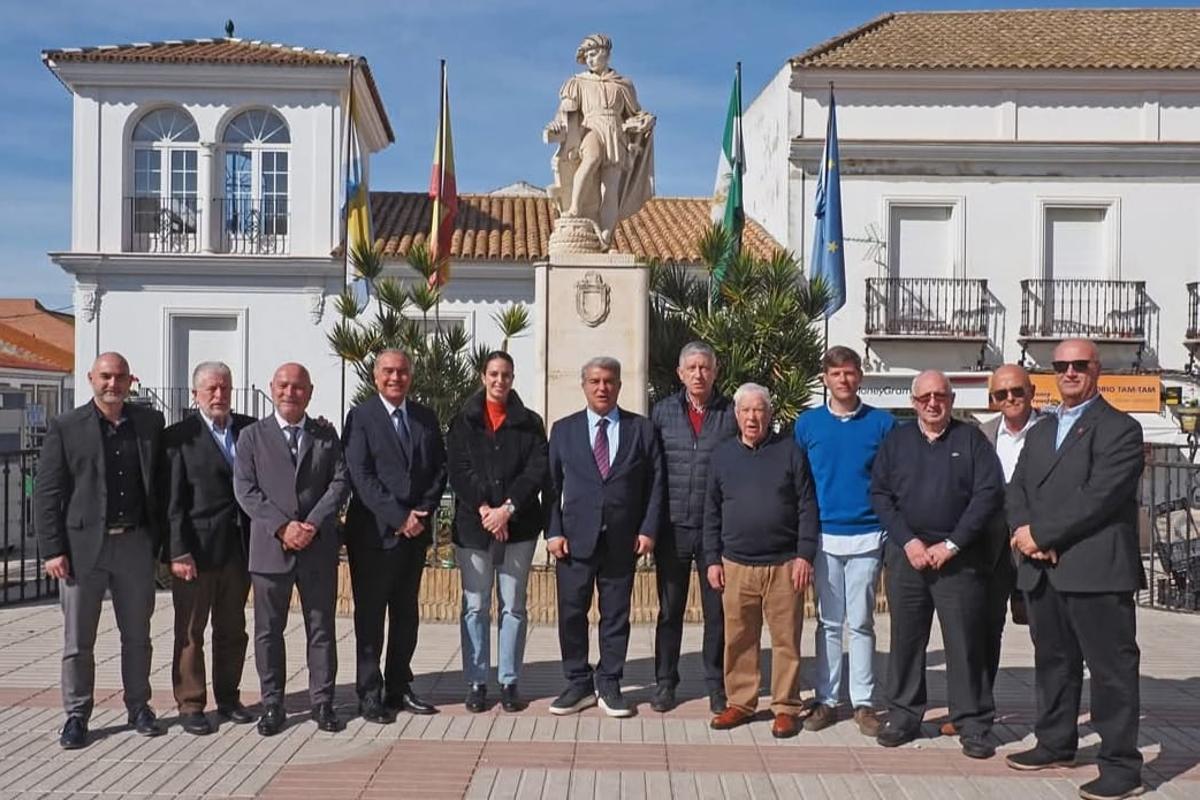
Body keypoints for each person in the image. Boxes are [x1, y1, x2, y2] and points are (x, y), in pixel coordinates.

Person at [1005, 339, 1145, 800]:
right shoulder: (1040, 431)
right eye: (1061, 365)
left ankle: (1121, 766)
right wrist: (1024, 533)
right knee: (1053, 664)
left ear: (1096, 369)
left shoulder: (1121, 428)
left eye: (1079, 364)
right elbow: (1018, 488)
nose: (1069, 372)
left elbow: (1099, 496)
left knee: (1111, 672)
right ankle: (1055, 744)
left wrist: (1042, 535)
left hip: (1096, 571)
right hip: (1043, 572)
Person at [35, 351, 167, 749]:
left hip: (135, 544)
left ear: (131, 381)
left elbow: (164, 481)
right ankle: (77, 715)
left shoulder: (150, 423)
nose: (113, 384)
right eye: (106, 376)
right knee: (78, 640)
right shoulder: (66, 427)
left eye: (120, 377)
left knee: (138, 635)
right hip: (81, 550)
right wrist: (52, 550)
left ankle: (139, 707)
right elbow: (47, 492)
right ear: (91, 378)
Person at [870, 370, 1003, 759]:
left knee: (965, 644)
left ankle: (973, 724)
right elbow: (880, 494)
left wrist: (952, 543)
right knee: (906, 641)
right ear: (913, 403)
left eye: (940, 396)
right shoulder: (896, 441)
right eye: (925, 396)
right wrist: (908, 541)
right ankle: (904, 716)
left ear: (952, 400)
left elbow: (987, 495)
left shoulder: (972, 440)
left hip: (959, 560)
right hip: (908, 557)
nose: (933, 402)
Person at [233, 362, 349, 736]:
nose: (290, 392)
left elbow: (339, 482)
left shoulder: (326, 436)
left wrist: (310, 525)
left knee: (321, 628)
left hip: (317, 547)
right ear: (271, 388)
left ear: (310, 392)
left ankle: (323, 702)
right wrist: (283, 527)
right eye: (283, 385)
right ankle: (273, 704)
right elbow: (246, 490)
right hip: (270, 549)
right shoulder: (251, 437)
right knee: (268, 631)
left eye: (298, 387)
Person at [545, 356, 664, 718]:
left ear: (619, 386)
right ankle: (578, 683)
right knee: (571, 613)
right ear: (583, 385)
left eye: (609, 381)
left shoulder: (641, 429)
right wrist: (553, 531)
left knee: (615, 615)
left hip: (622, 540)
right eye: (595, 381)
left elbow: (656, 484)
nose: (602, 387)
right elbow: (551, 486)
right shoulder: (563, 430)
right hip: (573, 541)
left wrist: (648, 529)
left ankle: (610, 682)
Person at [705, 383, 818, 738]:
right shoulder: (722, 456)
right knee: (739, 638)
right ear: (736, 415)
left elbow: (807, 506)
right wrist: (711, 560)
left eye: (759, 410)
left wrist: (804, 555)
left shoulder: (790, 452)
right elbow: (711, 511)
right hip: (736, 564)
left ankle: (785, 707)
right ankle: (741, 702)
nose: (752, 417)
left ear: (770, 414)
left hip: (784, 564)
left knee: (786, 639)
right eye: (746, 410)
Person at [793, 346, 894, 737]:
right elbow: (798, 482)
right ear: (825, 379)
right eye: (836, 374)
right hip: (823, 537)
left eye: (850, 373)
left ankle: (864, 702)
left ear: (860, 377)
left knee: (863, 622)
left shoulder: (882, 424)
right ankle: (827, 699)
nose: (843, 380)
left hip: (867, 535)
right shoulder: (807, 425)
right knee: (829, 622)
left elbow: (892, 479)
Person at [342, 349, 447, 721]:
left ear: (410, 376)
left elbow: (439, 470)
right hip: (373, 535)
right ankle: (369, 692)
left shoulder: (424, 417)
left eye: (402, 372)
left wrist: (422, 512)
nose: (395, 377)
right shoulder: (360, 417)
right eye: (388, 371)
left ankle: (399, 687)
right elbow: (361, 476)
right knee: (370, 617)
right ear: (375, 376)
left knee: (406, 615)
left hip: (413, 536)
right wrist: (399, 517)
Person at [446, 351, 548, 713]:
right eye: (493, 374)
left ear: (513, 378)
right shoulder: (463, 421)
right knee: (475, 606)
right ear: (483, 376)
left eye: (505, 374)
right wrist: (486, 510)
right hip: (474, 527)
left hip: (518, 526)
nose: (499, 380)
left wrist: (507, 509)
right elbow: (458, 470)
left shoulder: (530, 423)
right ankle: (476, 681)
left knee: (513, 605)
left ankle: (508, 681)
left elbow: (536, 470)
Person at [163, 361, 256, 736]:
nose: (219, 395)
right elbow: (171, 502)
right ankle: (191, 704)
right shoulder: (178, 437)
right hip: (196, 552)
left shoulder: (249, 429)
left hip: (240, 549)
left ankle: (229, 698)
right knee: (190, 632)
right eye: (211, 389)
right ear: (195, 394)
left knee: (233, 629)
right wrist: (177, 551)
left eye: (225, 388)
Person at [650, 341, 737, 714]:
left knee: (717, 613)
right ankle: (665, 683)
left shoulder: (730, 413)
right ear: (680, 373)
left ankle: (716, 684)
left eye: (705, 367)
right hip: (673, 528)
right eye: (692, 368)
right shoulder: (662, 412)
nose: (699, 374)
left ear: (715, 372)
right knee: (670, 611)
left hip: (715, 531)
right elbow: (652, 471)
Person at [544, 33, 655, 249]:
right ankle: (575, 208)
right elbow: (565, 111)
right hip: (590, 127)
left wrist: (645, 120)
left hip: (615, 133)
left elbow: (635, 113)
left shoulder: (623, 85)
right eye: (587, 56)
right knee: (591, 159)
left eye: (594, 54)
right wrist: (556, 124)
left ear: (606, 53)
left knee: (610, 188)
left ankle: (606, 234)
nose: (590, 59)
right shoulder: (577, 82)